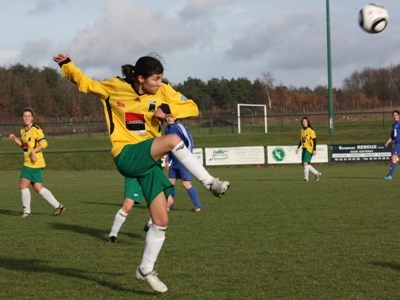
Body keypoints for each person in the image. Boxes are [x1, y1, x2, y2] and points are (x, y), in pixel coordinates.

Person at [53, 53, 230, 293]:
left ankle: (145, 269)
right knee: (172, 139)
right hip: (125, 154)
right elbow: (85, 84)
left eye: (161, 78)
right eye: (155, 79)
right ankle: (210, 183)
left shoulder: (163, 91)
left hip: (149, 162)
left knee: (161, 220)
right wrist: (67, 65)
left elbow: (192, 107)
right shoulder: (115, 87)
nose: (159, 83)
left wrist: (168, 109)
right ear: (140, 78)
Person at [9, 108, 66, 217]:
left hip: (34, 163)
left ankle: (27, 211)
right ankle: (58, 206)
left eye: (29, 116)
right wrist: (15, 139)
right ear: (22, 117)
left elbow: (44, 143)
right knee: (37, 188)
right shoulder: (22, 130)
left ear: (32, 118)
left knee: (22, 185)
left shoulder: (36, 129)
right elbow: (24, 146)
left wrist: (35, 151)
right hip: (29, 162)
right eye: (24, 116)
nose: (26, 118)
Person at [164, 115, 203, 212]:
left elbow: (189, 141)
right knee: (170, 184)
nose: (169, 118)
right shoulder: (166, 130)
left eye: (171, 116)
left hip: (183, 160)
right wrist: (168, 160)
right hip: (174, 162)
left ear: (175, 118)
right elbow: (168, 146)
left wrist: (187, 156)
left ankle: (198, 206)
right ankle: (170, 206)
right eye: (167, 116)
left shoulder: (179, 127)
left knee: (186, 183)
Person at [295, 117, 321, 182]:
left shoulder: (310, 130)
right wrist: (298, 148)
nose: (304, 123)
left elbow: (314, 140)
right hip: (304, 148)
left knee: (305, 163)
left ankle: (306, 179)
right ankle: (317, 173)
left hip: (309, 148)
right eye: (303, 121)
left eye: (305, 121)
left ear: (308, 122)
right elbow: (301, 140)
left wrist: (314, 149)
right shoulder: (302, 130)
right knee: (305, 164)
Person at [384, 110, 400, 180]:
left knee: (393, 158)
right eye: (394, 115)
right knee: (394, 158)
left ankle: (390, 175)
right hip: (397, 143)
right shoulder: (393, 125)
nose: (395, 116)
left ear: (399, 115)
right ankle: (390, 175)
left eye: (396, 115)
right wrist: (387, 142)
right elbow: (392, 136)